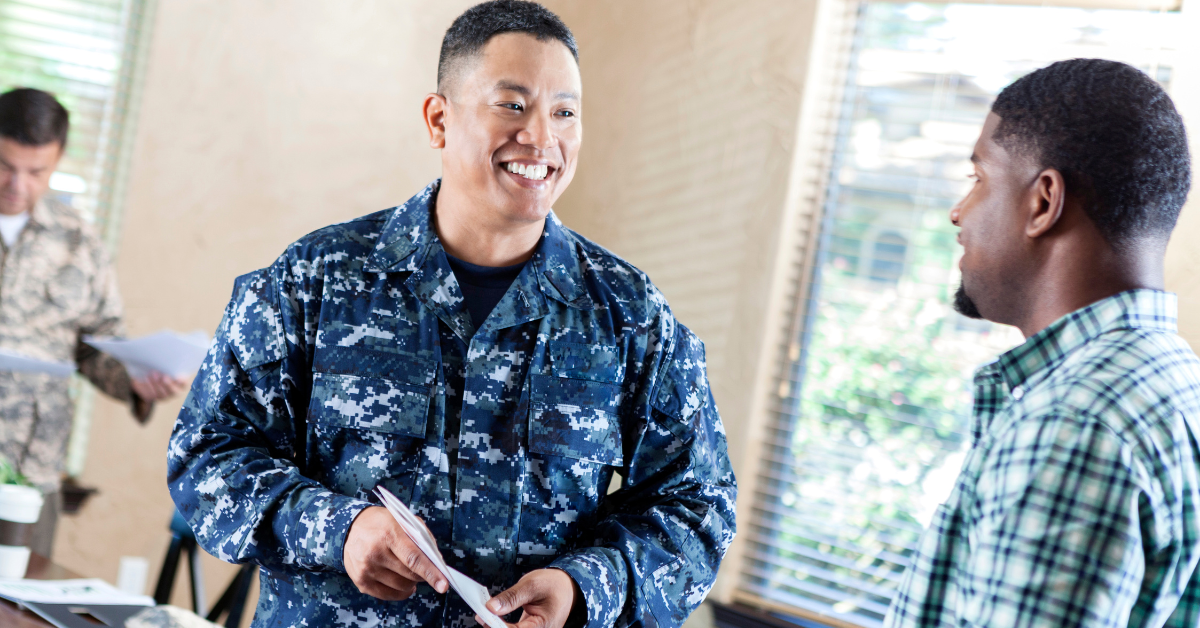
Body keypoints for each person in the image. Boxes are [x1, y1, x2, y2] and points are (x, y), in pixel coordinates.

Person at [167, 2, 737, 627]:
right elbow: (207, 454)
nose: (542, 138)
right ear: (439, 119)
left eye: (565, 112)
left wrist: (583, 587)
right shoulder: (316, 280)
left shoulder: (628, 315)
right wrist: (342, 529)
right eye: (513, 105)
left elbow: (696, 502)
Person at [885, 59, 1198, 627]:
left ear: (1043, 200)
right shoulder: (1172, 379)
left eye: (978, 178)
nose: (959, 212)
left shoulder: (1074, 424)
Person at [0, 87, 186, 557]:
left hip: (29, 471)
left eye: (35, 171)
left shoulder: (77, 241)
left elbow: (95, 343)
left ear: (58, 158)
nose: (17, 185)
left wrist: (135, 381)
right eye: (4, 165)